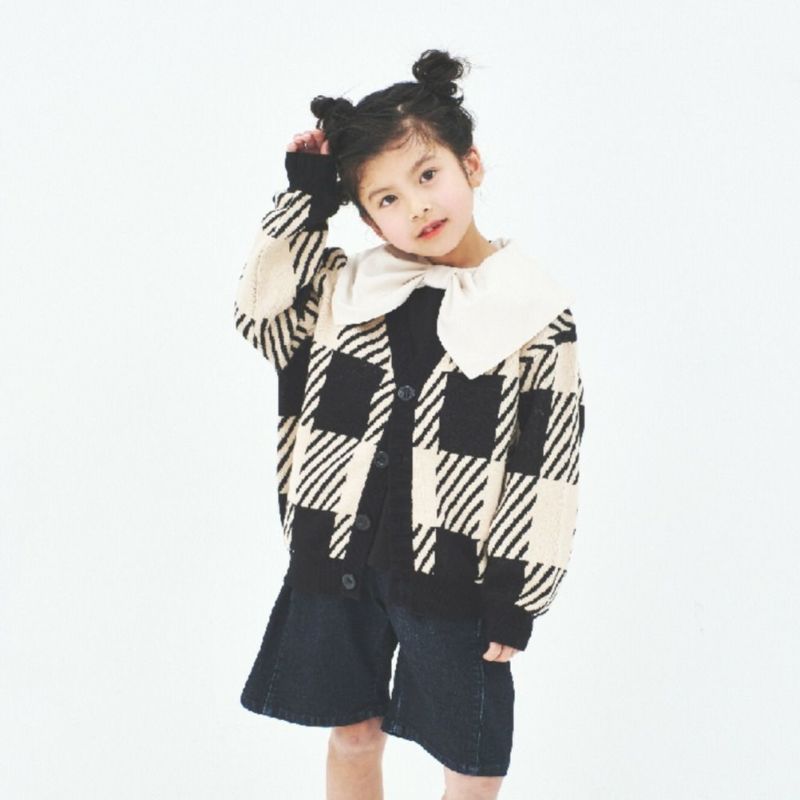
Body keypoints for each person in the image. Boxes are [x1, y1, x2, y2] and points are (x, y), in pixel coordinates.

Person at [234, 48, 586, 800]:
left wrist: (518, 594)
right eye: (387, 198)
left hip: (458, 576)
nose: (417, 207)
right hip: (337, 557)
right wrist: (305, 198)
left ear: (471, 165)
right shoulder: (345, 292)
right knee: (353, 735)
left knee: (472, 764)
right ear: (366, 217)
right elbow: (262, 313)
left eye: (428, 176)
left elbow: (549, 465)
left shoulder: (532, 313)